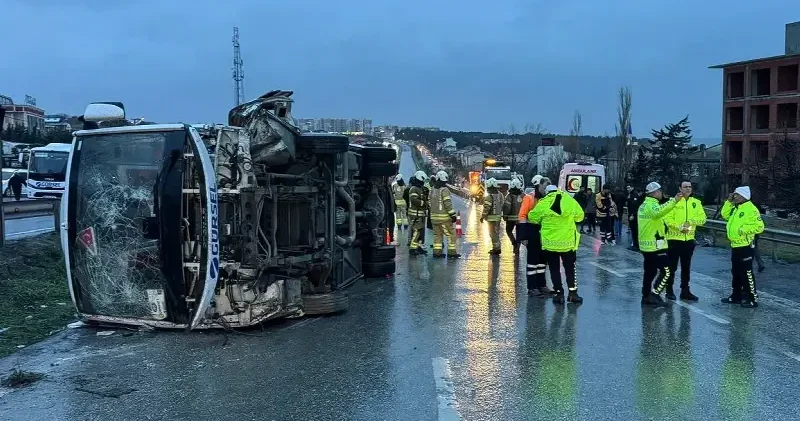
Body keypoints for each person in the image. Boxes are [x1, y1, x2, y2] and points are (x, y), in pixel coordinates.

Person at [529, 184, 585, 304]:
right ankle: (573, 294)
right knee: (570, 268)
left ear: (547, 192)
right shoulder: (569, 200)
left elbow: (532, 217)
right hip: (568, 243)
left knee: (554, 269)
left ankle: (559, 294)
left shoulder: (543, 203)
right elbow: (580, 216)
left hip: (550, 244)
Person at [720, 186, 764, 308]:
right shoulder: (736, 208)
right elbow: (724, 215)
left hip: (745, 246)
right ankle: (736, 296)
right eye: (734, 195)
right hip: (735, 245)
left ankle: (752, 298)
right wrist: (728, 202)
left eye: (737, 195)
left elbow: (760, 226)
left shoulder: (751, 209)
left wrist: (742, 230)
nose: (735, 197)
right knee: (736, 272)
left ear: (744, 196)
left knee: (747, 273)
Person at [638, 182, 681, 306]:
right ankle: (654, 294)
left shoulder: (646, 204)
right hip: (655, 245)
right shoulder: (650, 205)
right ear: (655, 192)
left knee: (650, 272)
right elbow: (659, 212)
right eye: (660, 191)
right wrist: (674, 201)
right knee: (667, 271)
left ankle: (646, 296)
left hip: (649, 245)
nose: (661, 193)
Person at [664, 181, 706, 301]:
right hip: (674, 239)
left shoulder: (696, 203)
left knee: (686, 267)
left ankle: (685, 291)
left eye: (690, 187)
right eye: (685, 187)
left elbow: (702, 219)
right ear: (680, 188)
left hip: (689, 240)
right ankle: (669, 290)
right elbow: (667, 219)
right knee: (672, 267)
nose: (688, 189)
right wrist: (679, 227)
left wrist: (691, 221)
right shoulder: (673, 202)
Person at [518, 175, 553, 296]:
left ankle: (541, 285)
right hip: (532, 231)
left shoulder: (548, 198)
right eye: (545, 187)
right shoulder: (529, 198)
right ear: (538, 186)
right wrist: (523, 236)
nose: (546, 189)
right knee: (533, 261)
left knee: (543, 261)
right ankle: (532, 287)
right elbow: (522, 216)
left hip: (545, 232)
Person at [429, 170, 460, 259]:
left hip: (434, 218)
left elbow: (430, 203)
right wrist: (452, 215)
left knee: (437, 236)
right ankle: (451, 253)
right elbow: (448, 204)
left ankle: (437, 253)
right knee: (451, 235)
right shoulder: (444, 190)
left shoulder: (432, 190)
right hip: (444, 219)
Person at [406, 170, 429, 256]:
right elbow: (414, 200)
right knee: (416, 231)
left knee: (420, 232)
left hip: (421, 215)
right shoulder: (414, 189)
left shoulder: (420, 189)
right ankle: (412, 249)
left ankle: (418, 247)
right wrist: (424, 203)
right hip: (415, 215)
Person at [481, 178, 504, 255]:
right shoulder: (500, 194)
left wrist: (482, 217)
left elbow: (486, 208)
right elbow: (502, 204)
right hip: (498, 217)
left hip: (491, 219)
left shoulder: (489, 196)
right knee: (496, 233)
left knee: (492, 234)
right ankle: (496, 248)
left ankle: (497, 249)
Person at [503, 178, 524, 254]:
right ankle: (517, 245)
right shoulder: (523, 196)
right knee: (519, 233)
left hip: (511, 219)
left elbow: (507, 207)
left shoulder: (509, 196)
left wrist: (505, 216)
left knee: (509, 231)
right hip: (521, 219)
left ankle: (514, 244)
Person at [627, 186, 642, 251]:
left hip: (634, 216)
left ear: (632, 187)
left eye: (629, 187)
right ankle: (635, 244)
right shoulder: (630, 195)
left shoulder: (635, 195)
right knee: (633, 230)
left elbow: (635, 206)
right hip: (631, 215)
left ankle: (636, 245)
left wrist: (633, 214)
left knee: (635, 230)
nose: (628, 189)